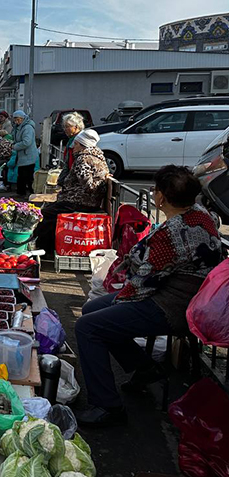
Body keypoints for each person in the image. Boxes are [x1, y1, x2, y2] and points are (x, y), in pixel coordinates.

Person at [74, 165, 224, 427]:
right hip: (184, 295)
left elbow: (142, 285)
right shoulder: (201, 214)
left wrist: (119, 296)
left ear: (161, 198)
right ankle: (145, 368)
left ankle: (107, 405)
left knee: (88, 326)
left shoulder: (172, 234)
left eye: (155, 190)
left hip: (172, 306)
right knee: (92, 311)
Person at [31, 129, 109, 255]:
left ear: (83, 145)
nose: (73, 147)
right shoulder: (98, 157)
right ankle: (47, 249)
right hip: (85, 200)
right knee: (50, 211)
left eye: (76, 144)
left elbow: (89, 185)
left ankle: (45, 251)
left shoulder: (83, 159)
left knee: (45, 214)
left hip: (78, 202)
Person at [11, 110, 39, 196]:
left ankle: (31, 194)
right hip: (23, 155)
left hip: (28, 155)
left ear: (23, 118)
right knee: (22, 175)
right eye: (15, 119)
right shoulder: (19, 127)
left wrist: (14, 146)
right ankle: (21, 193)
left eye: (18, 119)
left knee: (27, 176)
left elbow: (26, 142)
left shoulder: (27, 128)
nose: (16, 121)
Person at [58, 112, 85, 185]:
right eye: (64, 127)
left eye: (67, 126)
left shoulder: (81, 141)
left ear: (76, 127)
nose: (65, 129)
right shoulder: (72, 139)